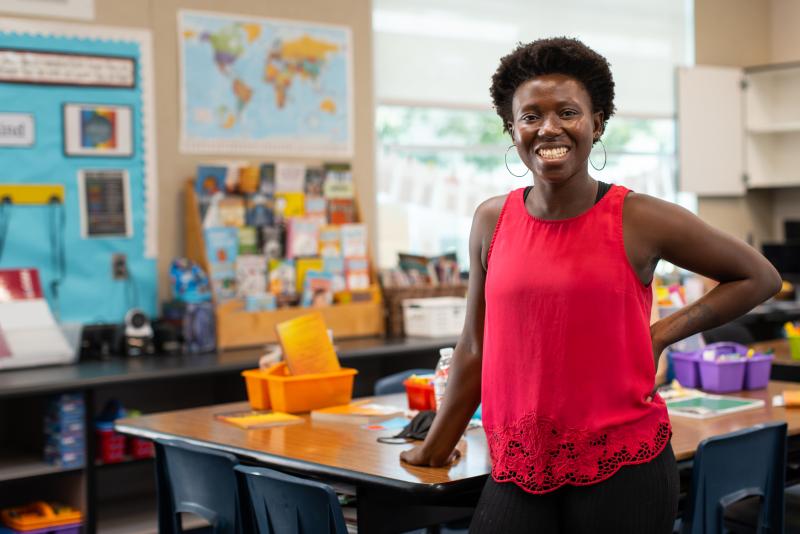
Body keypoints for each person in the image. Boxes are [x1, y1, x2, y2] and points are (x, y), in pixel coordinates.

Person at [399, 37, 781, 533]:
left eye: (567, 112)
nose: (548, 128)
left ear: (597, 123)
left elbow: (760, 277)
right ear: (511, 128)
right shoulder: (491, 220)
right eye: (531, 116)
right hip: (518, 467)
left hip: (624, 468)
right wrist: (434, 447)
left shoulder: (639, 217)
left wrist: (661, 333)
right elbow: (474, 346)